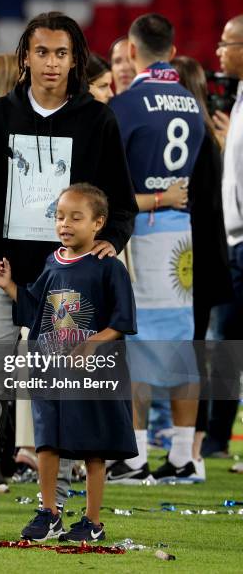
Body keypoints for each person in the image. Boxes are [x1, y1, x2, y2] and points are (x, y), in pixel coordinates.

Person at [0, 10, 138, 540]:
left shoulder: (98, 121)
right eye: (42, 52)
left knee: (57, 387)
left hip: (68, 283)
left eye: (62, 53)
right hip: (0, 273)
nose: (52, 63)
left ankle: (56, 506)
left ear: (75, 59)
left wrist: (115, 238)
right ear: (25, 57)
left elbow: (122, 203)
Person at [0, 183, 137, 542]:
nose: (65, 224)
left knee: (93, 447)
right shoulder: (52, 261)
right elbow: (36, 307)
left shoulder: (109, 267)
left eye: (75, 217)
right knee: (46, 443)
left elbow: (123, 321)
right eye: (59, 216)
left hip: (92, 376)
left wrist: (92, 343)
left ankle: (92, 522)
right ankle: (49, 512)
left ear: (98, 223)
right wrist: (9, 287)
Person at [108, 14, 205, 484]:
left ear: (131, 48)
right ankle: (185, 456)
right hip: (181, 236)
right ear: (172, 47)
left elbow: (112, 183)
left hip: (143, 232)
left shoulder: (127, 105)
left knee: (136, 344)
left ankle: (135, 455)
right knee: (181, 345)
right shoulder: (190, 102)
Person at [171, 55, 232, 472]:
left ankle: (195, 447)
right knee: (211, 350)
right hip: (211, 257)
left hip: (194, 258)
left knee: (201, 351)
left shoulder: (198, 140)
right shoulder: (208, 137)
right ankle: (201, 443)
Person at [200, 15, 243, 459]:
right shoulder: (238, 100)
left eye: (227, 44)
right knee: (226, 345)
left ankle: (215, 436)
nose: (219, 52)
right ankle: (214, 438)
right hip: (235, 243)